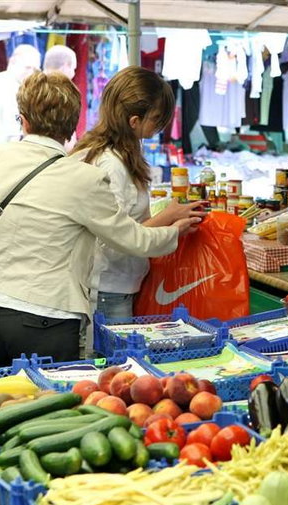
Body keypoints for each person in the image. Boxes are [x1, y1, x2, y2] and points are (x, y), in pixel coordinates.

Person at [0, 71, 200, 369]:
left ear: (23, 119)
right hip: (47, 315)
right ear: (72, 124)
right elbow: (133, 239)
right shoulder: (86, 178)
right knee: (46, 406)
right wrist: (175, 229)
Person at [72, 66, 204, 319]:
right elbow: (113, 239)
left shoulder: (110, 154)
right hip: (107, 289)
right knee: (114, 357)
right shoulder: (111, 164)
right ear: (134, 121)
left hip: (114, 285)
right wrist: (170, 219)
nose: (159, 128)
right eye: (156, 120)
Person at [0, 44, 41, 153]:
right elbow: (13, 132)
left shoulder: (5, 81)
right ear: (13, 62)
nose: (31, 73)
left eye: (35, 69)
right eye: (28, 67)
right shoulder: (7, 85)